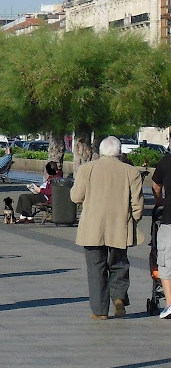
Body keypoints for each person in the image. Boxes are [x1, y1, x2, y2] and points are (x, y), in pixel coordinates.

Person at [70, 136, 144, 319]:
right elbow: (137, 204)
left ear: (101, 151)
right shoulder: (131, 171)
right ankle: (118, 297)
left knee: (96, 268)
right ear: (119, 152)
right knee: (119, 264)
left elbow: (75, 197)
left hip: (93, 227)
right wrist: (133, 219)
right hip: (120, 225)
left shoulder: (87, 169)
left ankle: (99, 310)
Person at [151, 151, 171, 319]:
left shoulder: (166, 161)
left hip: (170, 218)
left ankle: (170, 303)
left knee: (166, 262)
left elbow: (156, 186)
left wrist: (160, 201)